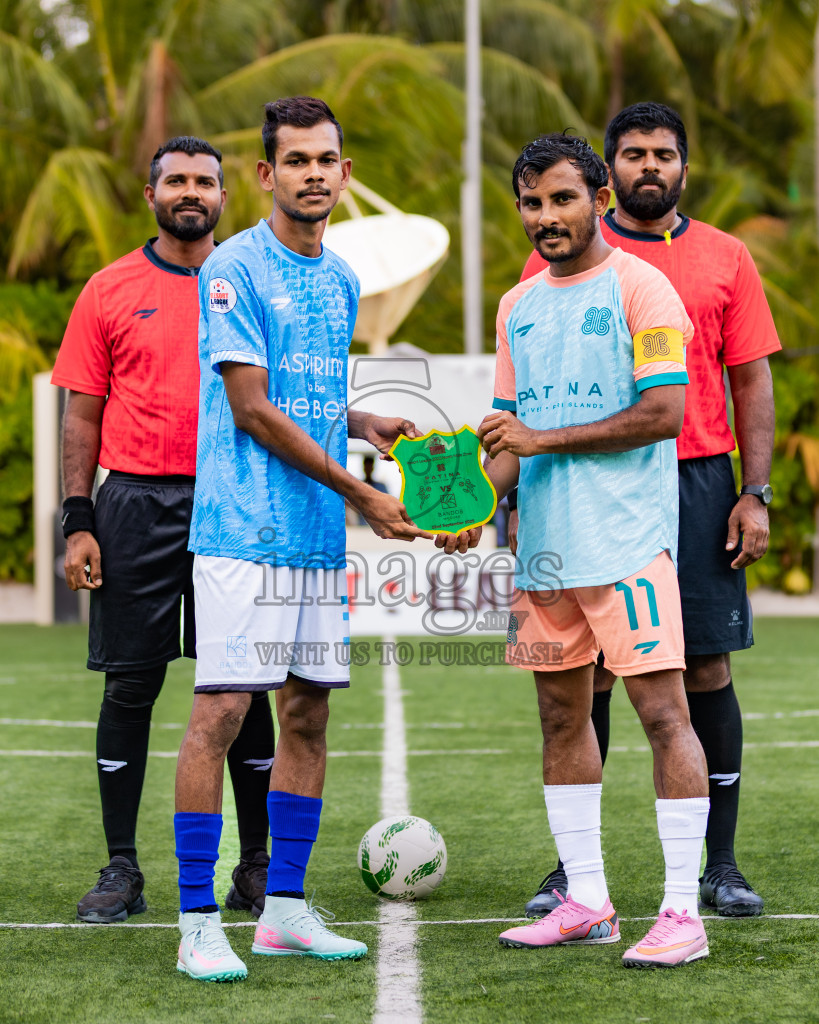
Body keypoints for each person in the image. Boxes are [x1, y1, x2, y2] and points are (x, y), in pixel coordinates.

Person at [173, 96, 431, 983]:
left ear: (345, 174)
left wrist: (364, 423)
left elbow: (304, 396)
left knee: (308, 715)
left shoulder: (343, 278)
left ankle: (283, 910)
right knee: (220, 714)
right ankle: (197, 920)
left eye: (326, 160)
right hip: (242, 531)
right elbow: (251, 408)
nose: (312, 174)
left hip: (314, 538)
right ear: (266, 173)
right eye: (296, 160)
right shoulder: (233, 268)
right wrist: (361, 491)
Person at [519, 103, 779, 920]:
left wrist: (753, 492)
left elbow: (749, 380)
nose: (649, 167)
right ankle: (573, 875)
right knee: (578, 678)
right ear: (609, 174)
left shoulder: (722, 257)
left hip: (696, 482)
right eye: (632, 153)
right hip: (583, 487)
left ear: (682, 168)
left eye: (662, 154)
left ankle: (718, 865)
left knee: (701, 671)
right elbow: (524, 402)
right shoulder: (546, 264)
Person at [462, 131, 712, 968]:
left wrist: (540, 439)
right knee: (561, 717)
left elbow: (663, 414)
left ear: (599, 199)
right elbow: (509, 436)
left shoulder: (644, 288)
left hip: (627, 543)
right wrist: (475, 503)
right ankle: (587, 901)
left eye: (562, 198)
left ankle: (682, 914)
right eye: (530, 203)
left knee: (664, 716)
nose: (546, 216)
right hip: (545, 553)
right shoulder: (517, 306)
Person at [52, 137, 276, 924]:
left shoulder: (251, 283)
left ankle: (256, 867)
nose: (191, 191)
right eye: (176, 180)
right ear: (151, 195)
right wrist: (78, 521)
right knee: (130, 685)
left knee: (244, 684)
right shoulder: (109, 288)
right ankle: (122, 868)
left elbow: (280, 401)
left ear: (224, 196)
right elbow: (82, 415)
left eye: (204, 181)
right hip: (135, 503)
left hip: (235, 501)